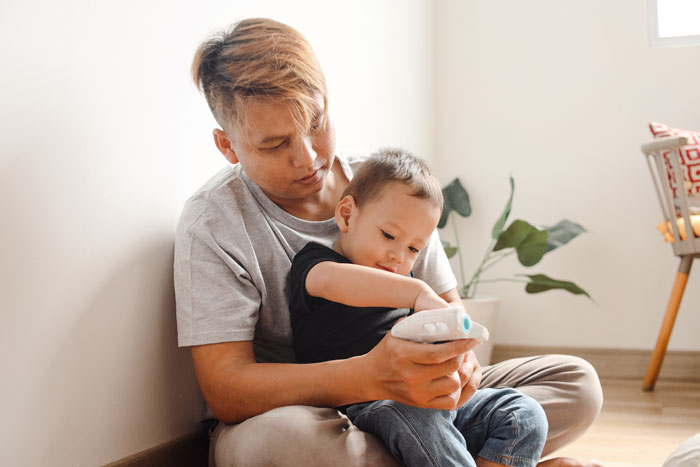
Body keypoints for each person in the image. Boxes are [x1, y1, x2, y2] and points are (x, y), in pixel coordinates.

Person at [175, 17, 604, 467]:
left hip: (418, 396)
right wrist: (370, 377)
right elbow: (228, 391)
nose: (308, 156)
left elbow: (449, 309)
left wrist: (458, 366)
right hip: (310, 415)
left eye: (316, 124)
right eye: (276, 143)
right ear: (228, 146)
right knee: (273, 446)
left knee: (576, 383)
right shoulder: (214, 222)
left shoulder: (386, 188)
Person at [289, 149, 549, 467]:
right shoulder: (317, 264)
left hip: (430, 399)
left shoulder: (405, 280)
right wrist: (417, 292)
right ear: (346, 216)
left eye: (414, 248)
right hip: (368, 405)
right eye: (388, 235)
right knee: (411, 414)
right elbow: (333, 281)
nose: (399, 257)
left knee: (524, 413)